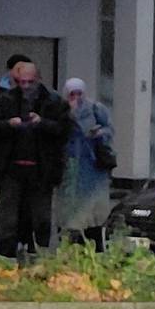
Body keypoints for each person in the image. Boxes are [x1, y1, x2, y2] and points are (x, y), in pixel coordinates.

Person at [0, 57, 72, 256]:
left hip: (42, 168)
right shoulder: (5, 99)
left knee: (41, 215)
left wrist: (43, 123)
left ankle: (40, 250)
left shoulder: (54, 102)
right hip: (11, 167)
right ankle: (6, 254)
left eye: (30, 82)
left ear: (38, 79)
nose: (26, 87)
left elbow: (64, 131)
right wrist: (7, 125)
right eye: (22, 82)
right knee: (8, 215)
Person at [55, 77, 117, 242]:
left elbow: (109, 130)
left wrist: (99, 133)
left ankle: (94, 238)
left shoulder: (96, 109)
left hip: (92, 166)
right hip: (69, 166)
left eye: (79, 93)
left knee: (94, 205)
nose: (76, 97)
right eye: (71, 94)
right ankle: (69, 237)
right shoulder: (59, 111)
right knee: (68, 206)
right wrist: (70, 115)